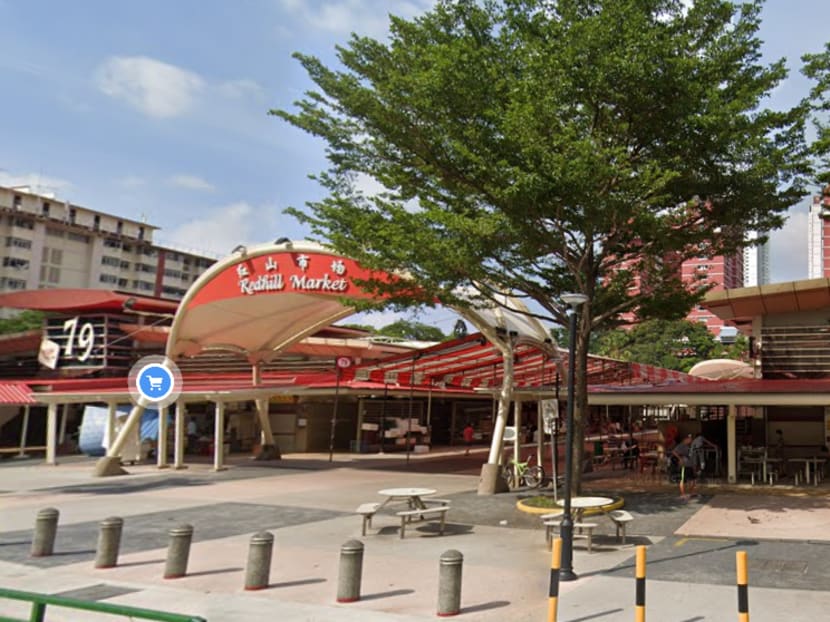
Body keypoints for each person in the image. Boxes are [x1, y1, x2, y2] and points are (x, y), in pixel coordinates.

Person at [672, 434, 696, 502]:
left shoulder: (689, 446)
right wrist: (680, 458)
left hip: (690, 464)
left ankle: (691, 493)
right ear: (685, 439)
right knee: (683, 480)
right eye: (689, 439)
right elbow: (674, 452)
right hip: (684, 465)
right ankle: (683, 494)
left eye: (691, 439)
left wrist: (693, 465)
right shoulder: (681, 445)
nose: (690, 440)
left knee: (692, 480)